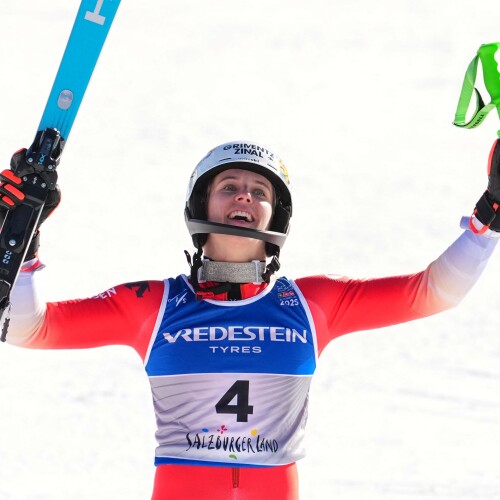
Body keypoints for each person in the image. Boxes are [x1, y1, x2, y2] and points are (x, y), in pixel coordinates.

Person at [1, 138, 500, 500]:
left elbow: (436, 292)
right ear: (201, 203)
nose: (244, 196)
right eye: (229, 186)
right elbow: (28, 328)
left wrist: (491, 213)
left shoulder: (313, 304)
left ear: (274, 216)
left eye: (260, 191)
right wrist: (21, 243)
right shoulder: (153, 305)